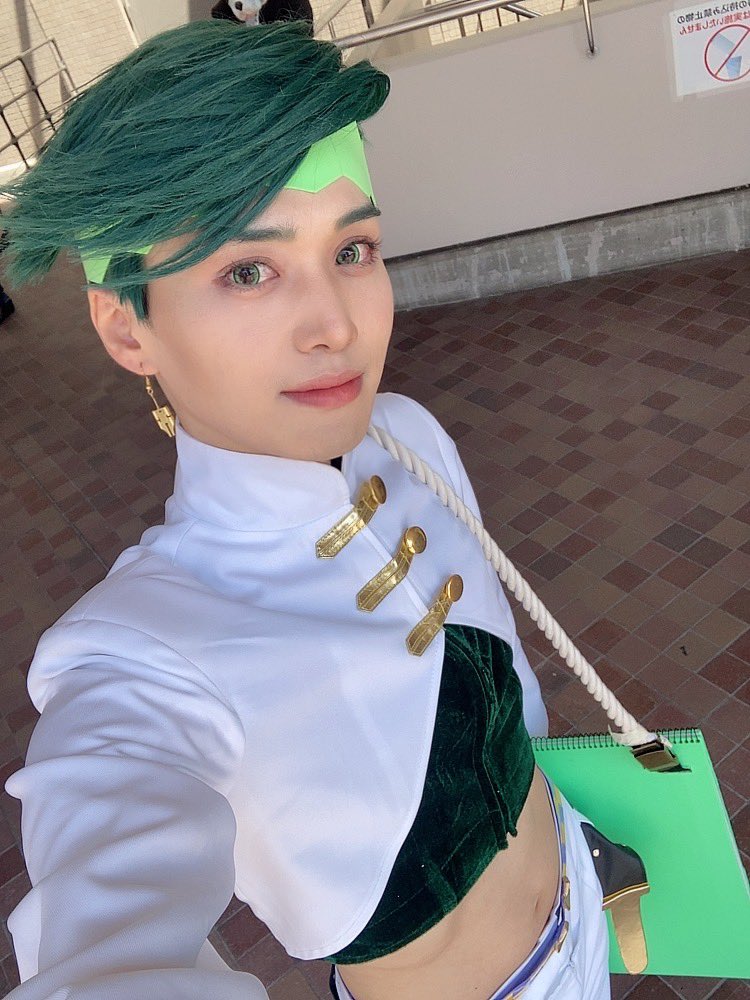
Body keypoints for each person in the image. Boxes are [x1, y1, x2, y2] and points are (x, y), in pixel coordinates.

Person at [1, 20, 612, 1000]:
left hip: (586, 901)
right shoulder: (137, 657)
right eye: (249, 270)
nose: (336, 324)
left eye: (354, 248)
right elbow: (104, 929)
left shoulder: (409, 434)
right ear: (126, 325)